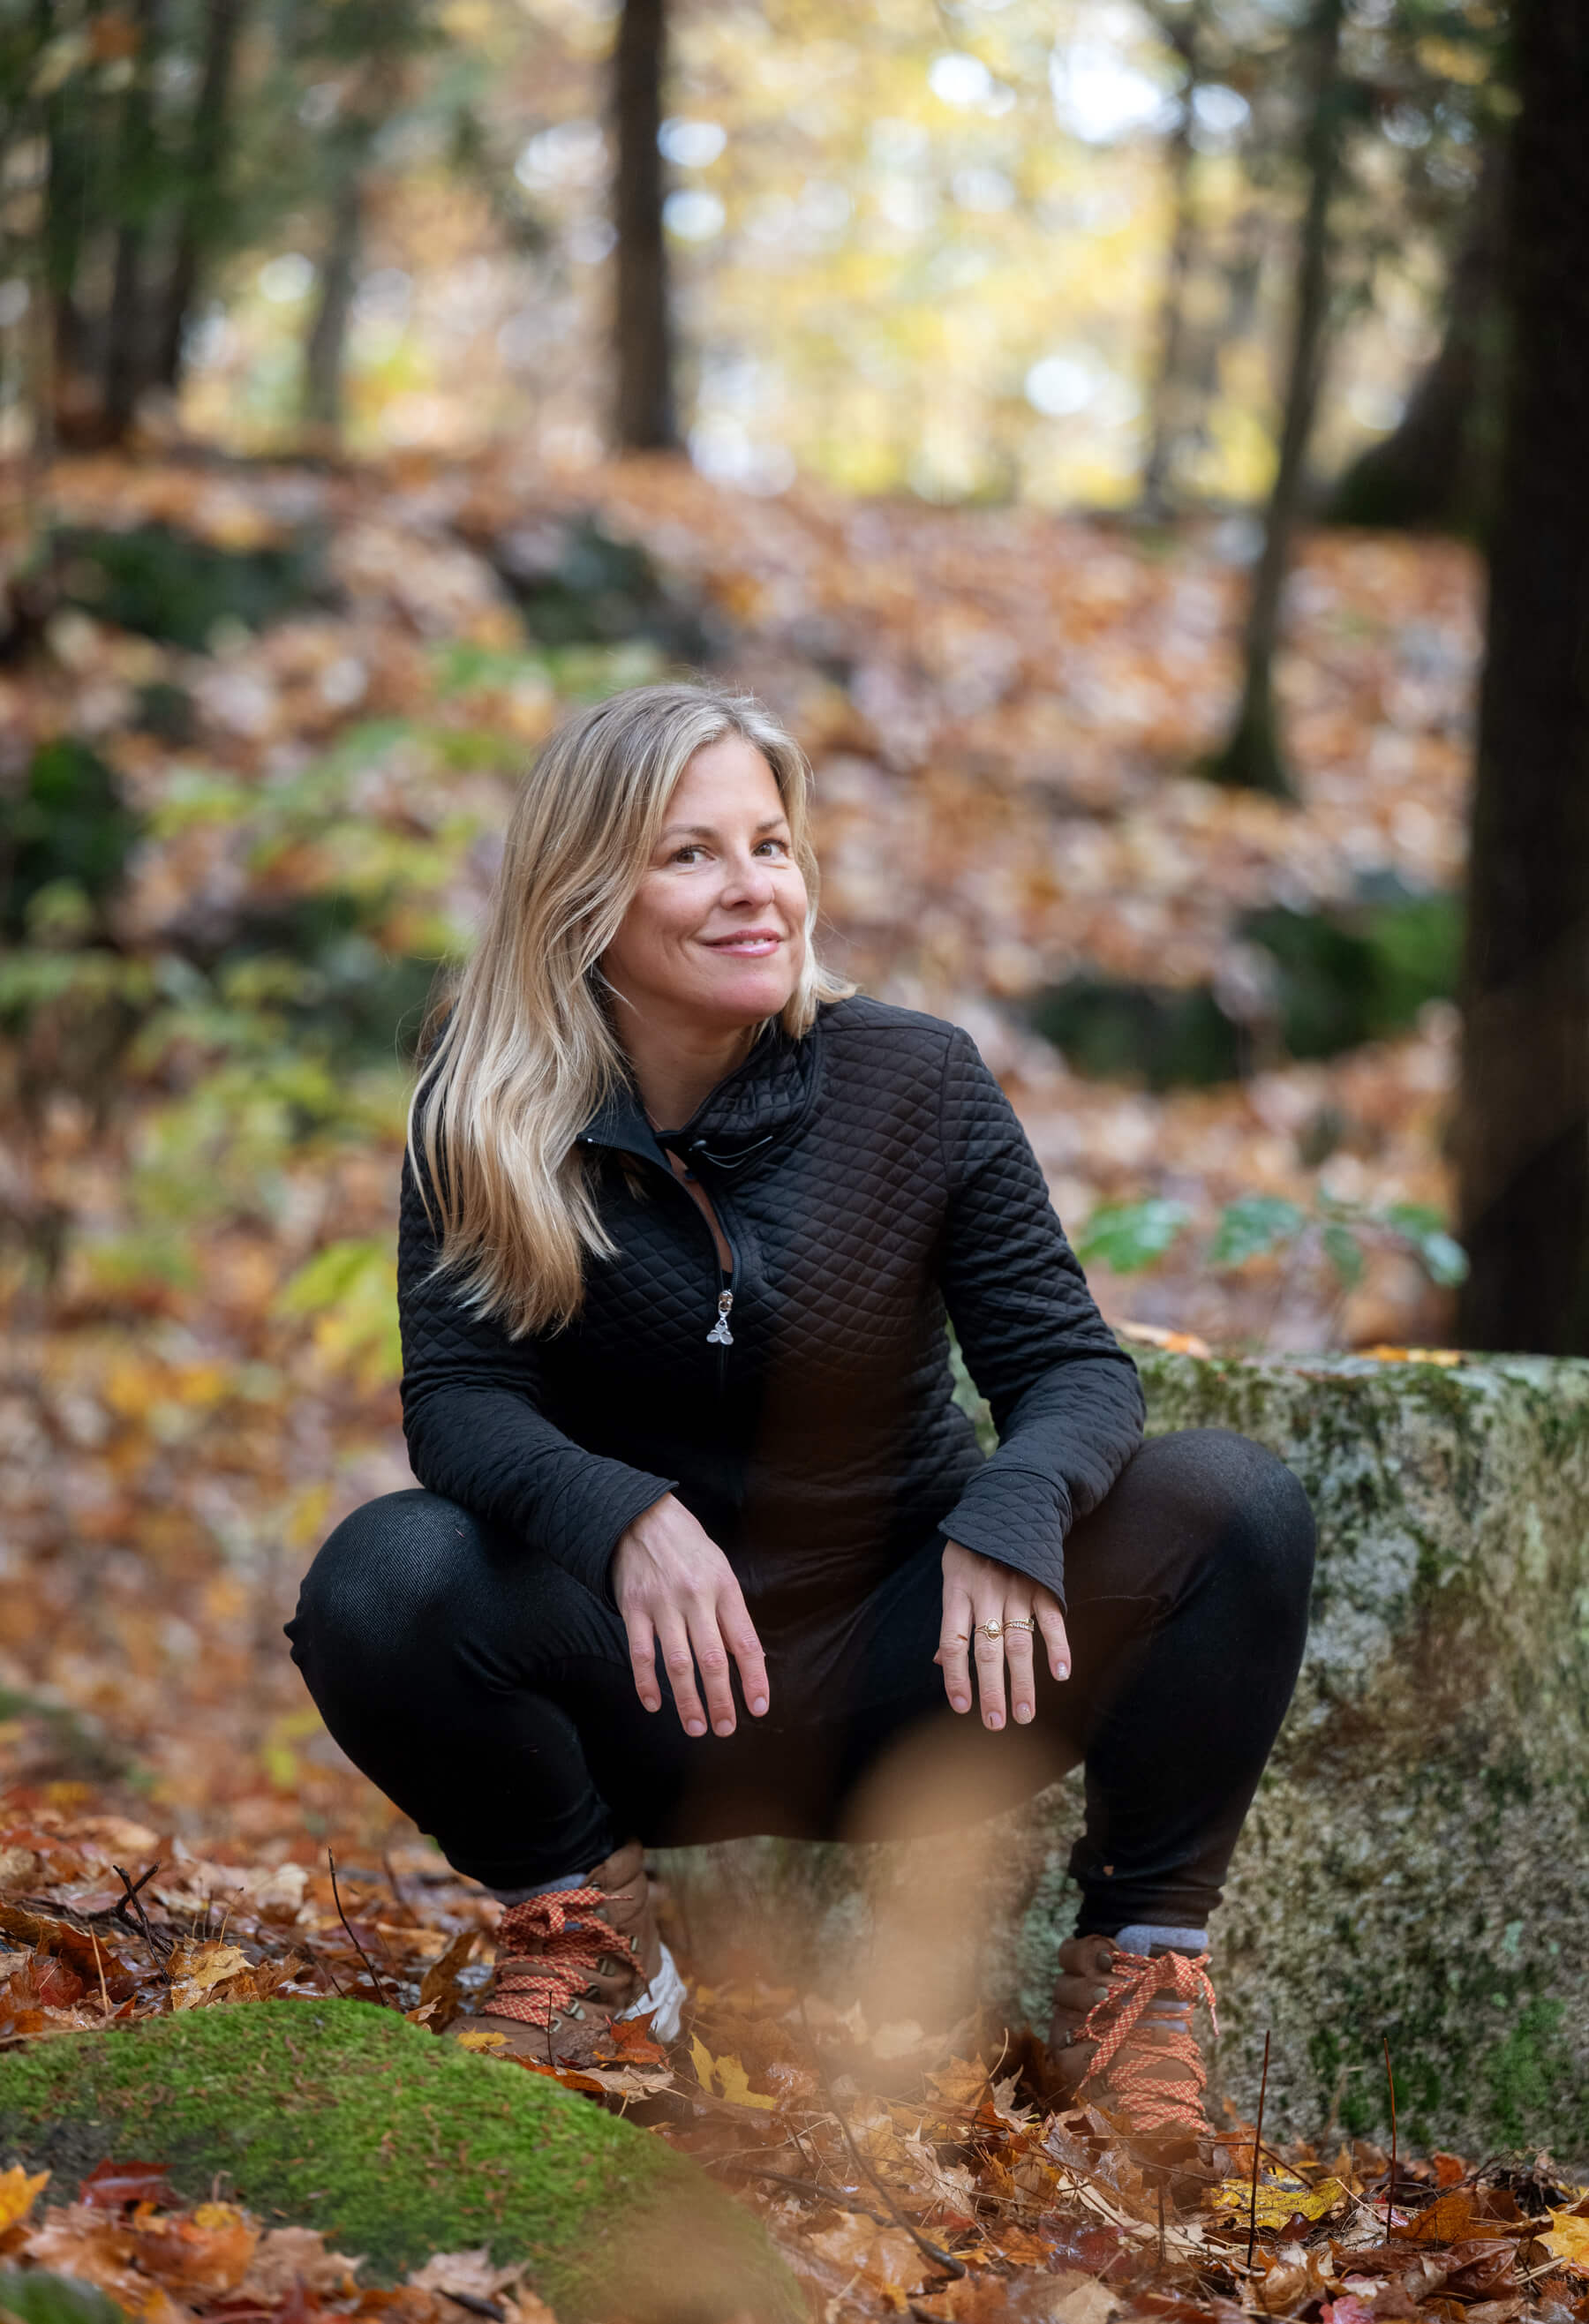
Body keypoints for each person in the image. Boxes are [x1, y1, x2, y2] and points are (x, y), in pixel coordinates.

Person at [286, 680, 1315, 2149]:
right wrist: (622, 1513)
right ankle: (589, 1945)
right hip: (650, 1683)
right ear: (585, 892)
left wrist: (1011, 1507)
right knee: (377, 1577)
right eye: (690, 853)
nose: (752, 888)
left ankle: (1138, 1984)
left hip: (926, 1678)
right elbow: (459, 1404)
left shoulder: (917, 1081)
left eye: (771, 844)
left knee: (1235, 1502)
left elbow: (1077, 1371)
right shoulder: (485, 1110)